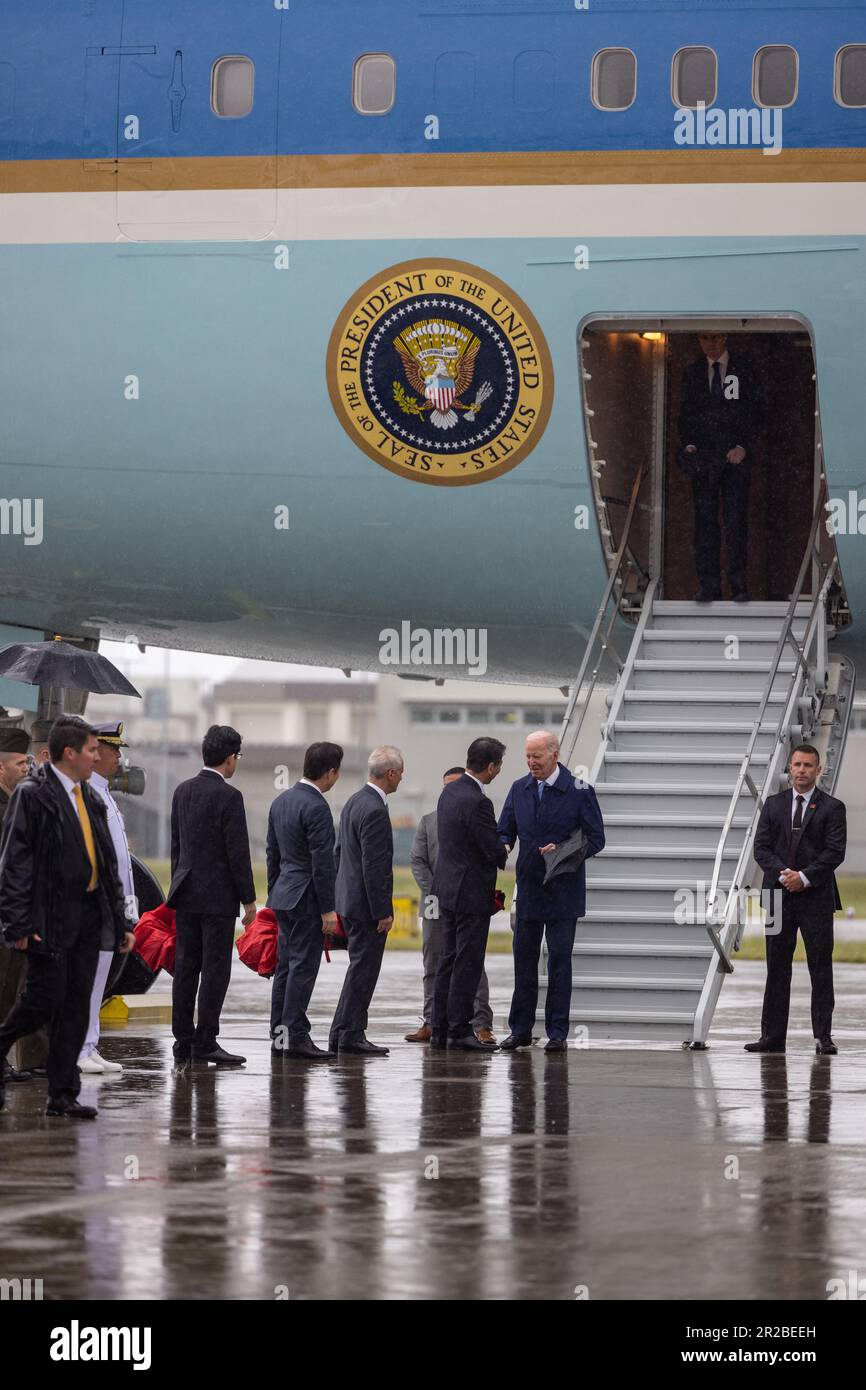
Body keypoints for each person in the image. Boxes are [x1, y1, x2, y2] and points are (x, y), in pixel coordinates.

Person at [0, 716, 135, 1119]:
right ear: (69, 753)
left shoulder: (91, 798)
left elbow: (107, 866)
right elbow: (16, 864)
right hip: (49, 919)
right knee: (41, 1001)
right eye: (92, 750)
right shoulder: (34, 796)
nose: (98, 756)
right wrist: (18, 924)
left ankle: (62, 1092)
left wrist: (120, 922)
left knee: (76, 1007)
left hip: (88, 922)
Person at [497, 730, 605, 1053]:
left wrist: (563, 851)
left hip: (563, 891)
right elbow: (506, 829)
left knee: (559, 963)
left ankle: (557, 1033)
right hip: (529, 889)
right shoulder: (519, 789)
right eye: (528, 757)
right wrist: (501, 846)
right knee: (524, 962)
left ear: (554, 755)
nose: (532, 763)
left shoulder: (579, 790)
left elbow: (596, 838)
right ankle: (520, 1030)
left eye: (537, 757)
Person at [746, 744, 846, 1056]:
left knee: (820, 967)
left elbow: (834, 852)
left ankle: (823, 1038)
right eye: (797, 765)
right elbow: (761, 848)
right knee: (777, 967)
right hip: (777, 897)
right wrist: (784, 874)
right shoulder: (773, 805)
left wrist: (803, 877)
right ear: (790, 767)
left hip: (815, 898)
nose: (801, 770)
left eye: (807, 765)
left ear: (818, 769)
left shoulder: (833, 808)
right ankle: (772, 1038)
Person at [167, 725, 257, 1067]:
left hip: (186, 892)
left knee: (185, 967)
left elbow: (178, 847)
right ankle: (206, 1040)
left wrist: (178, 883)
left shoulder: (182, 791)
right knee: (215, 970)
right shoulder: (229, 797)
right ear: (230, 758)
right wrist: (248, 901)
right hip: (218, 898)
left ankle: (182, 1041)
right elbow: (238, 853)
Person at [406, 766, 496, 1044]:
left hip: (465, 901)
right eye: (446, 786)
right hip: (435, 903)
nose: (450, 791)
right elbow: (418, 861)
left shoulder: (473, 817)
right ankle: (432, 1021)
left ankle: (481, 1023)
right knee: (434, 962)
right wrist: (437, 891)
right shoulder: (428, 821)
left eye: (455, 784)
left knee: (470, 962)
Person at [267, 741, 343, 1060]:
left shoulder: (282, 801)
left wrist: (276, 890)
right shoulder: (317, 807)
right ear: (330, 772)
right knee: (302, 967)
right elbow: (322, 864)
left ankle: (280, 1034)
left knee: (285, 967)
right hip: (307, 898)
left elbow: (273, 853)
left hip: (284, 894)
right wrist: (328, 909)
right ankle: (296, 1035)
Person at [431, 737, 508, 1052]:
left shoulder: (449, 791)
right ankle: (460, 1030)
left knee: (447, 960)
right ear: (490, 767)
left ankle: (439, 1028)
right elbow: (491, 849)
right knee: (468, 962)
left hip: (446, 889)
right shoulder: (479, 801)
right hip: (470, 893)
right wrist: (503, 849)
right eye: (499, 766)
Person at [328, 746, 402, 1056]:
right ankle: (351, 1035)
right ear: (390, 774)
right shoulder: (373, 809)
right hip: (366, 907)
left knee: (358, 969)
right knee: (364, 971)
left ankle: (342, 1032)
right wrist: (383, 910)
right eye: (400, 773)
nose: (401, 779)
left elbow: (339, 853)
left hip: (350, 900)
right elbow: (376, 867)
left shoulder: (354, 801)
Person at [678, 332, 763, 603]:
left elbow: (756, 413)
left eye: (714, 338)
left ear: (725, 338)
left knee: (735, 523)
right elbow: (685, 414)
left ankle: (738, 585)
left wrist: (744, 446)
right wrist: (689, 444)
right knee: (705, 525)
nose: (710, 344)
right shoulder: (692, 373)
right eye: (704, 339)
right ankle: (709, 586)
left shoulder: (743, 370)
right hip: (704, 461)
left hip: (734, 458)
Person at [79, 722, 138, 1075]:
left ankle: (90, 1044)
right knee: (88, 979)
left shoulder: (105, 794)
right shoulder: (89, 794)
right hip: (95, 904)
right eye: (113, 749)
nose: (119, 755)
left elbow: (121, 862)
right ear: (95, 751)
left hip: (110, 905)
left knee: (100, 978)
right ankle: (80, 1048)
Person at [0, 727, 35, 1084]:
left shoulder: (14, 804)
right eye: (20, 763)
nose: (26, 768)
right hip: (4, 914)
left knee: (10, 990)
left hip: (13, 914)